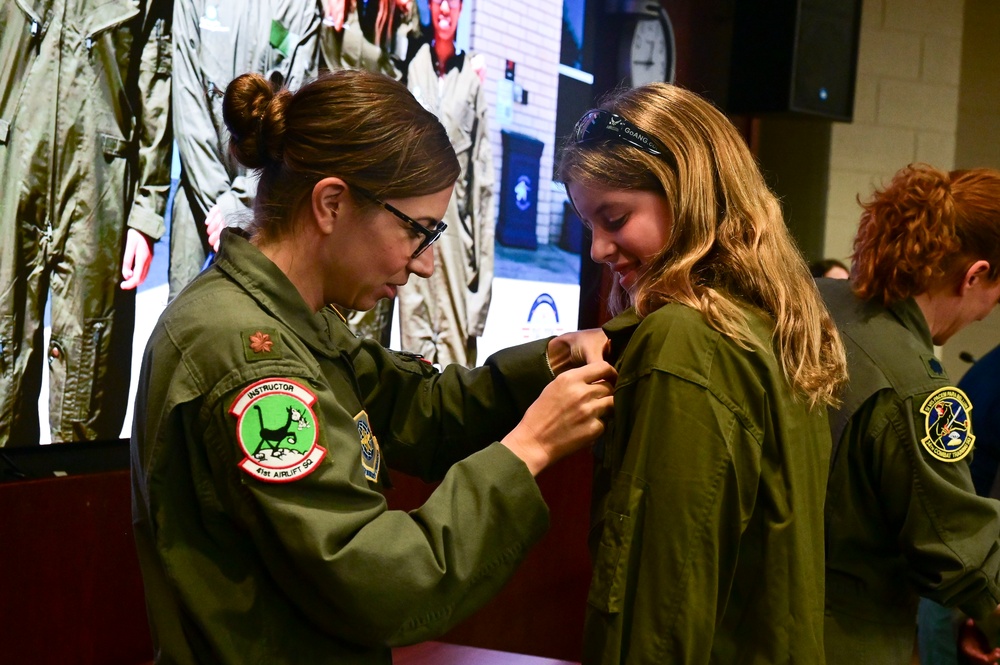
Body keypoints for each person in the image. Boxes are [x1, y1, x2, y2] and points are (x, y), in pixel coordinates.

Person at [131, 69, 616, 663]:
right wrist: (528, 450)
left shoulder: (295, 318)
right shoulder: (247, 358)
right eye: (418, 231)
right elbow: (379, 578)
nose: (426, 265)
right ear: (331, 203)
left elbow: (422, 410)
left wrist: (552, 360)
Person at [558, 85, 848, 662]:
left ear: (687, 194)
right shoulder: (766, 326)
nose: (596, 249)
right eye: (589, 224)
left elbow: (660, 611)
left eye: (614, 218)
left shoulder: (685, 342)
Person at [819, 163, 1000, 665]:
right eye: (995, 298)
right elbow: (958, 551)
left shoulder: (805, 301)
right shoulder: (919, 393)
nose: (987, 313)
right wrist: (987, 619)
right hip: (843, 637)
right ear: (975, 274)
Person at [0, 0, 172, 446]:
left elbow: (155, 85)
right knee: (2, 354)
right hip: (10, 176)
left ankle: (75, 502)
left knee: (88, 368)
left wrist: (145, 213)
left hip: (100, 187)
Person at [168, 0, 326, 301]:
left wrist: (241, 199)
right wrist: (219, 205)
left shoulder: (300, 6)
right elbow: (188, 104)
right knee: (185, 315)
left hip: (266, 199)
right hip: (199, 199)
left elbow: (293, 112)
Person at [399, 0, 494, 367]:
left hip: (456, 244)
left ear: (461, 10)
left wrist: (482, 288)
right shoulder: (410, 64)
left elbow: (483, 189)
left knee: (457, 363)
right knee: (412, 360)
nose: (444, 9)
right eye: (437, 1)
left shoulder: (471, 82)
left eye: (452, 2)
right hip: (410, 235)